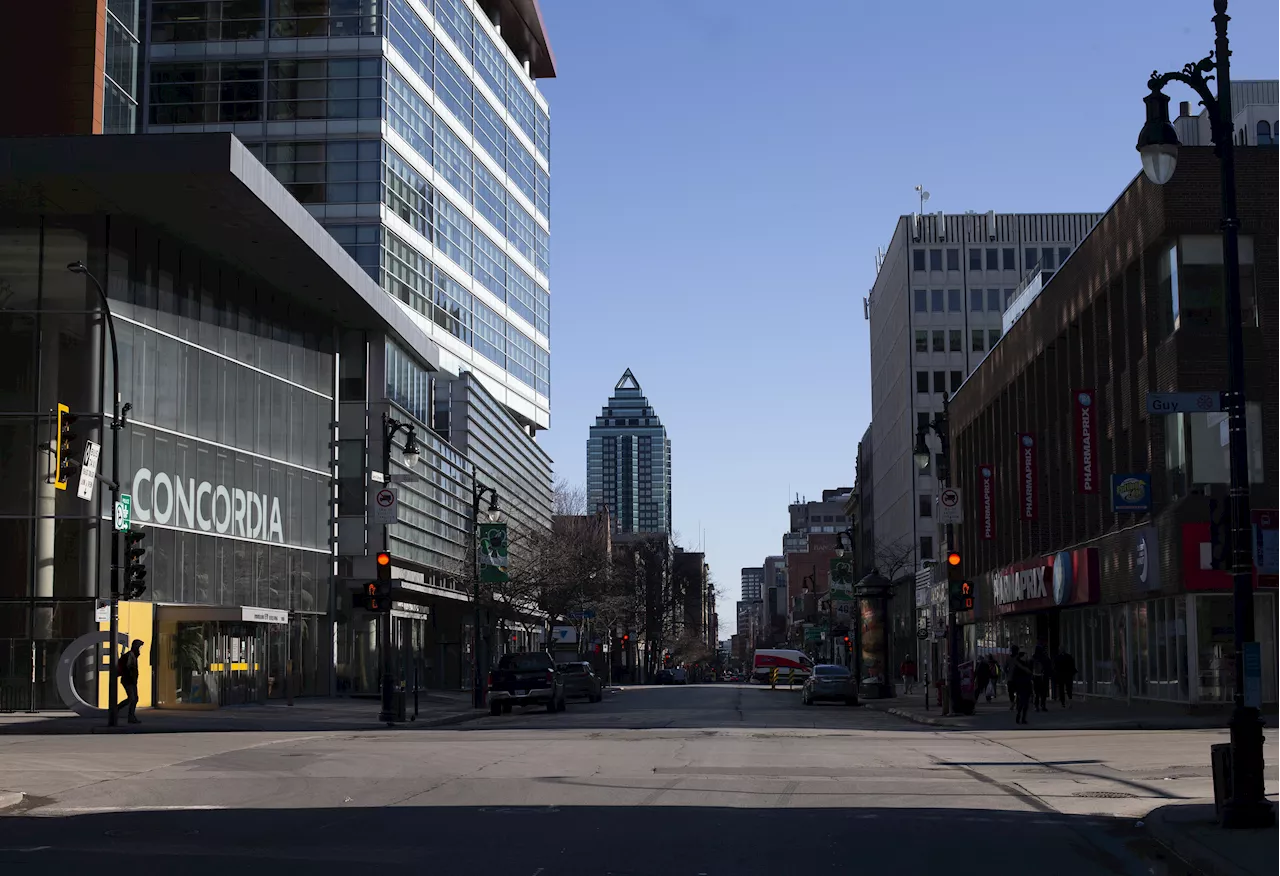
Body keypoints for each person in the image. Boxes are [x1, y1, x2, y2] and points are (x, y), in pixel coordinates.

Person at [114, 639, 144, 724]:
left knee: (134, 698)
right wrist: (131, 676)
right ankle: (117, 709)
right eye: (139, 647)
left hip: (131, 680)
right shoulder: (130, 655)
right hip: (128, 680)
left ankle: (126, 714)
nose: (140, 649)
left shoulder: (133, 655)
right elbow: (128, 668)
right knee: (132, 698)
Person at [1010, 649, 1034, 724]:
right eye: (1025, 656)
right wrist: (1015, 688)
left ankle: (1023, 717)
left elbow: (1030, 675)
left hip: (1027, 685)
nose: (1026, 657)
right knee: (1022, 702)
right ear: (1021, 657)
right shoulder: (1018, 666)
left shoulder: (1027, 664)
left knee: (1026, 703)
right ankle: (1019, 714)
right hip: (1020, 686)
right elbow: (1014, 677)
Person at [1031, 644, 1052, 712]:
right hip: (1044, 677)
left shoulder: (1034, 657)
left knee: (1036, 692)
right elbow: (1049, 667)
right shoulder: (1045, 657)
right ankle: (1043, 705)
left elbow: (1030, 667)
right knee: (1043, 692)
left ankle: (1036, 705)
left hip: (1036, 676)